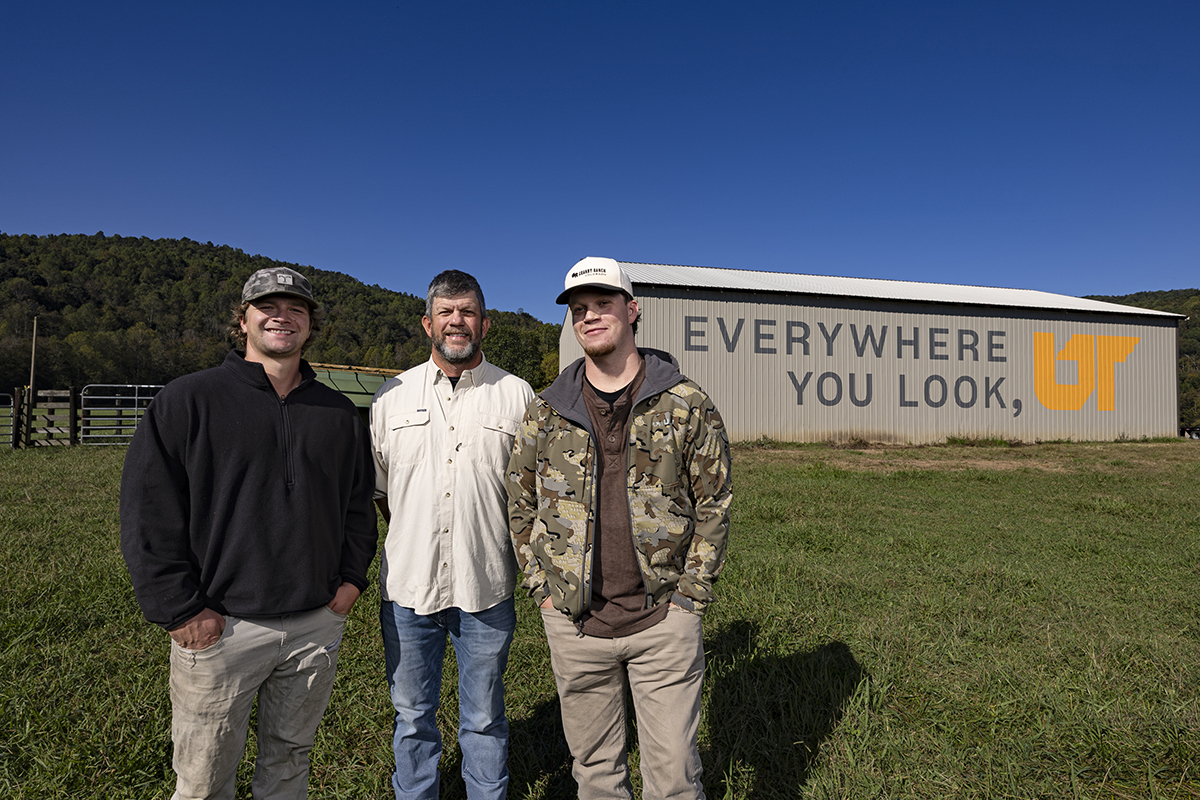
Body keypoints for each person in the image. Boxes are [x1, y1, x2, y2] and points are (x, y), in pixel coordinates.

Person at [120, 267, 377, 800]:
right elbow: (148, 512)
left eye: (296, 309)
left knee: (289, 764)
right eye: (268, 306)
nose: (282, 316)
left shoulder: (337, 413)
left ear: (311, 326)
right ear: (243, 321)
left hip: (314, 625)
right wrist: (181, 611)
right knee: (204, 779)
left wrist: (350, 583)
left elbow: (358, 506)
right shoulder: (187, 400)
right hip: (221, 628)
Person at [507, 257, 732, 800]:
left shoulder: (685, 403)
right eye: (579, 309)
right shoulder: (546, 411)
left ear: (632, 311)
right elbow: (519, 503)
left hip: (661, 622)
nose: (589, 317)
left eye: (603, 304)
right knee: (596, 777)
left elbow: (714, 502)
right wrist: (543, 591)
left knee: (674, 776)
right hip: (576, 626)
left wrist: (690, 595)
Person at [370, 269, 534, 799]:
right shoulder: (391, 396)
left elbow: (529, 492)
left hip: (484, 587)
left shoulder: (517, 395)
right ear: (428, 323)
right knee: (412, 714)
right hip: (409, 590)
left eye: (466, 312)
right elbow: (379, 490)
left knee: (484, 715)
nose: (455, 321)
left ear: (484, 323)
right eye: (446, 312)